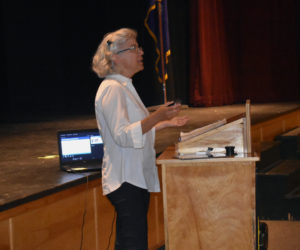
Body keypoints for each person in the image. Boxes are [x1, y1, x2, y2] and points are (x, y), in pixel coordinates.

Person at [92, 28, 188, 250]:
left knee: (128, 242)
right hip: (126, 179)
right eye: (134, 48)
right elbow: (123, 135)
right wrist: (156, 116)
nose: (141, 52)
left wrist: (164, 121)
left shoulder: (124, 87)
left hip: (133, 178)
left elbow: (136, 128)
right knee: (134, 243)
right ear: (115, 57)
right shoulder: (111, 89)